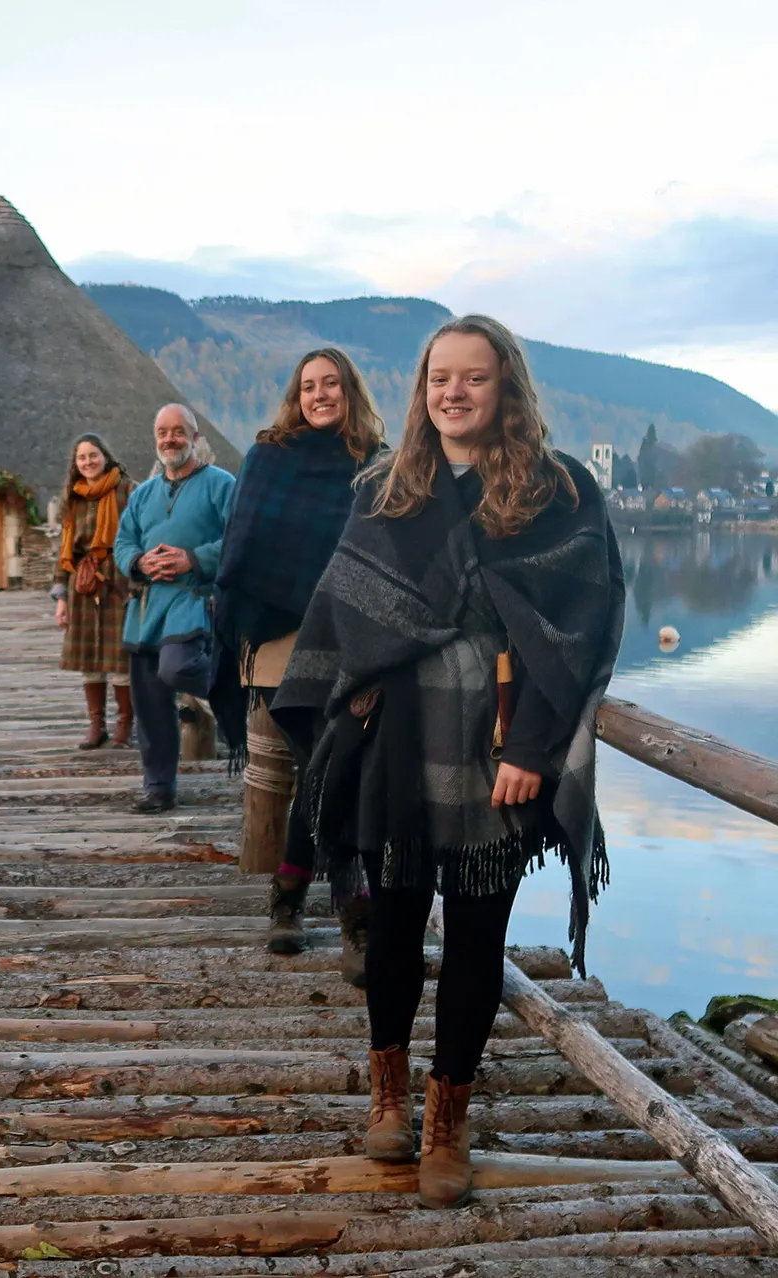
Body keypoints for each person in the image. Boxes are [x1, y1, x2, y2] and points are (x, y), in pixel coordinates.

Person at [271, 315, 624, 1209]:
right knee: (392, 928)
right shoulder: (387, 487)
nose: (454, 393)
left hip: (498, 747)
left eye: (474, 378)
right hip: (397, 743)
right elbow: (340, 608)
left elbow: (576, 635)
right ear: (422, 391)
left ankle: (448, 1122)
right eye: (439, 379)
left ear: (507, 388)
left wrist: (536, 750)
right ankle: (388, 1097)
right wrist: (347, 690)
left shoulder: (558, 491)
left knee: (475, 937)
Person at [211, 349, 385, 981]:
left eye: (331, 383)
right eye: (309, 386)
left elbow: (389, 554)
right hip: (280, 645)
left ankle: (287, 895)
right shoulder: (268, 457)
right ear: (296, 394)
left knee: (326, 774)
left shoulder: (375, 465)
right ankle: (356, 916)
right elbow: (244, 547)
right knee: (328, 769)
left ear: (349, 391)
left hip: (349, 644)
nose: (319, 394)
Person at [112, 404, 236, 812]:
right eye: (163, 432)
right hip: (147, 606)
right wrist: (138, 562)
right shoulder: (144, 493)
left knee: (177, 667)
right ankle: (159, 786)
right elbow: (123, 541)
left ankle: (237, 695)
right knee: (148, 701)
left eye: (179, 431)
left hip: (193, 598)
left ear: (196, 438)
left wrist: (193, 558)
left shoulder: (220, 484)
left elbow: (239, 539)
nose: (170, 439)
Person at [52, 434, 135, 748]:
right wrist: (61, 597)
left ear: (106, 456)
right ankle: (96, 726)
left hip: (117, 581)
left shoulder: (127, 490)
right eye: (81, 458)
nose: (87, 462)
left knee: (119, 659)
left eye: (93, 455)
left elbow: (141, 534)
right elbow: (65, 550)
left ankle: (124, 725)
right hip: (83, 585)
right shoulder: (73, 498)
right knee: (90, 660)